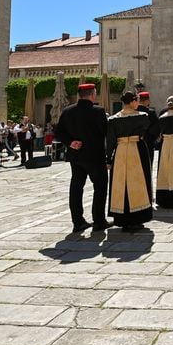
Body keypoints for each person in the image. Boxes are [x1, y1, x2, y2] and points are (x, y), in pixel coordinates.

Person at [55, 83, 111, 233]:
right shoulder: (98, 111)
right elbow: (106, 133)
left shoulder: (67, 111)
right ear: (93, 94)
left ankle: (77, 222)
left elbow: (58, 132)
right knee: (100, 187)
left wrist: (70, 142)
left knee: (76, 188)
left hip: (76, 156)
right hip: (95, 156)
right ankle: (99, 221)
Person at [106, 91, 153, 231]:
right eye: (137, 100)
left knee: (120, 183)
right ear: (132, 101)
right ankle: (138, 216)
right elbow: (147, 130)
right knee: (139, 181)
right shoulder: (143, 117)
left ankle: (122, 217)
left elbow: (110, 141)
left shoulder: (113, 119)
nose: (138, 103)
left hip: (120, 150)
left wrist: (108, 158)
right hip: (137, 149)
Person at [136, 92, 160, 168]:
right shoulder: (151, 112)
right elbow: (157, 127)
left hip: (134, 142)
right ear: (145, 100)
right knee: (148, 164)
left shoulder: (133, 111)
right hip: (148, 142)